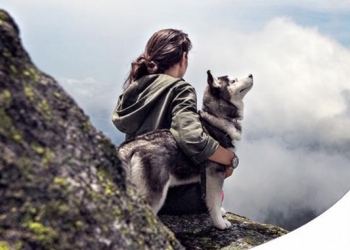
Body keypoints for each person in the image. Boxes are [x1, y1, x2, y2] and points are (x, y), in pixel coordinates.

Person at [112, 28, 235, 214]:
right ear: (183, 57)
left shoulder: (134, 89)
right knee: (217, 192)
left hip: (135, 187)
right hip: (169, 195)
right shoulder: (180, 89)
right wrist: (229, 158)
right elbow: (191, 136)